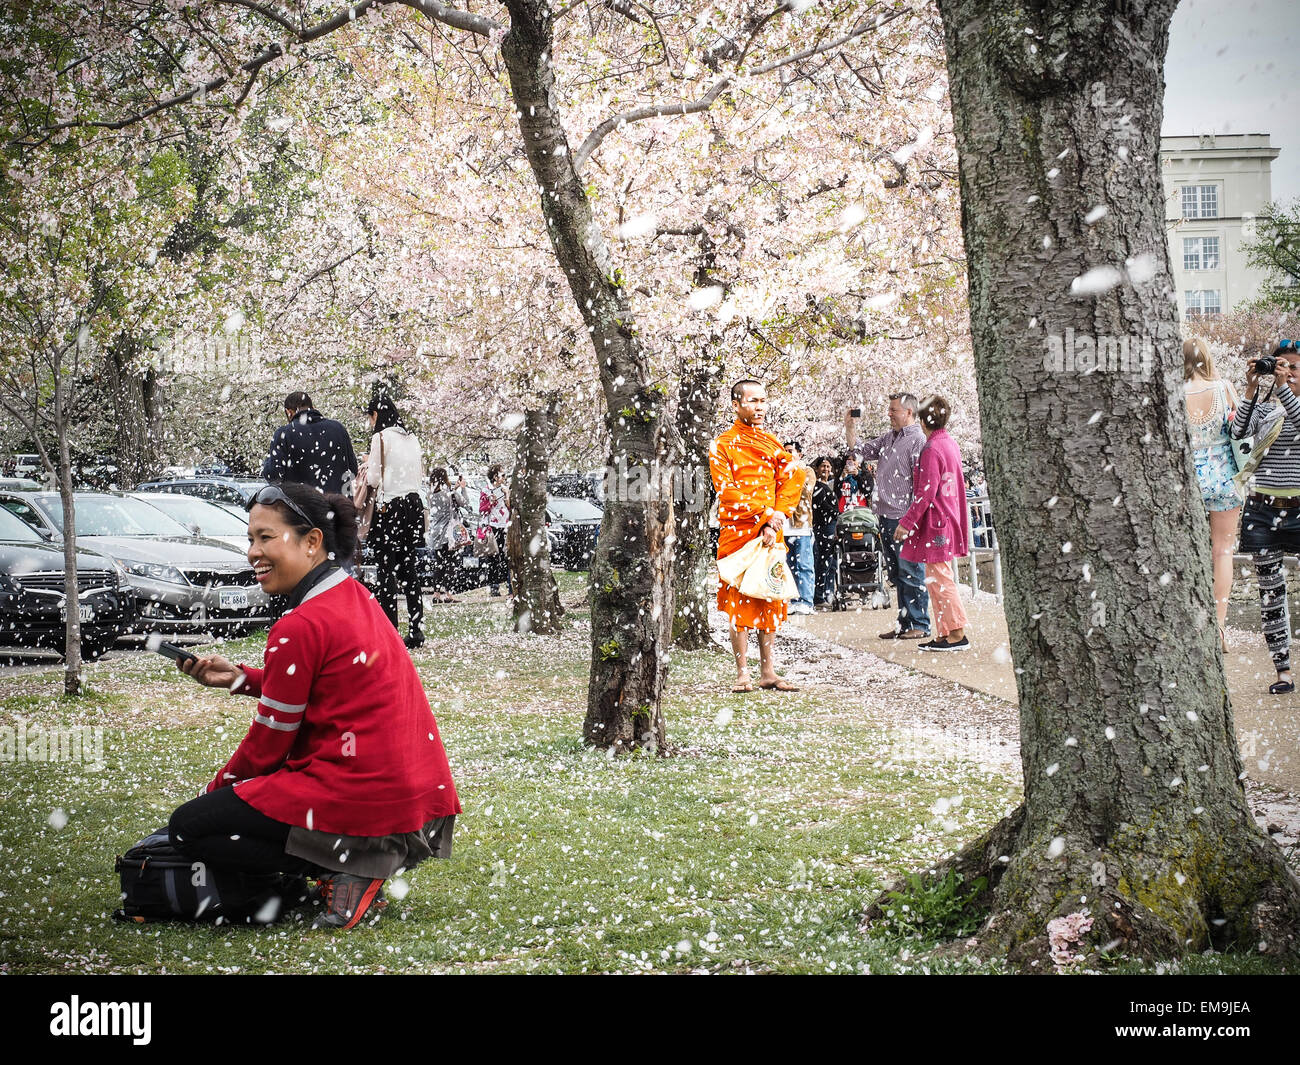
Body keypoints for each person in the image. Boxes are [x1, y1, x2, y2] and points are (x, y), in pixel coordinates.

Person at [167, 483, 460, 930]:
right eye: (250, 538)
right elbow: (328, 684)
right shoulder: (354, 597)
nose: (253, 552)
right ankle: (351, 860)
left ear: (311, 542)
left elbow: (268, 747)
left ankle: (347, 866)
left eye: (266, 537)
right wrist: (243, 678)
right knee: (218, 815)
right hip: (408, 800)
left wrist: (217, 791)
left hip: (360, 796)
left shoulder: (299, 624)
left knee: (190, 826)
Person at [709, 380, 806, 692]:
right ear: (736, 405)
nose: (760, 407)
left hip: (770, 530)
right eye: (752, 401)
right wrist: (765, 516)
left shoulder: (771, 442)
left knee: (769, 597)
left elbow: (794, 476)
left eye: (763, 401)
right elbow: (727, 491)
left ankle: (768, 670)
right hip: (738, 532)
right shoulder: (722, 444)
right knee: (739, 603)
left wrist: (777, 515)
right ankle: (742, 672)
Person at [1232, 344, 1300, 694]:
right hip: (1262, 510)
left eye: (1295, 369)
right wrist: (1251, 387)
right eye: (1285, 367)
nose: (1289, 373)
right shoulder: (1269, 409)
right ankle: (1283, 672)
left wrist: (1284, 385)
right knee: (1272, 596)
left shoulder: (1292, 405)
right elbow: (1239, 431)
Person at [846, 394, 930, 639]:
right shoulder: (889, 438)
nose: (889, 414)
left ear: (909, 412)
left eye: (894, 410)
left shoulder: (917, 441)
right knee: (896, 573)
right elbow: (858, 451)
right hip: (884, 515)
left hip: (904, 517)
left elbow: (920, 484)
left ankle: (920, 623)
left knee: (911, 571)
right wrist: (849, 426)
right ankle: (905, 622)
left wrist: (911, 520)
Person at [894, 395, 971, 651]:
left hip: (937, 520)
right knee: (935, 578)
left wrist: (906, 523)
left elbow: (925, 492)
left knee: (940, 578)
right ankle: (945, 632)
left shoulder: (931, 449)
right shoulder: (949, 444)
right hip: (949, 516)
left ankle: (957, 632)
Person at [1184, 336, 1242, 651]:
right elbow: (1242, 427)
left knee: (1188, 550)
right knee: (1222, 551)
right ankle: (1218, 626)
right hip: (1223, 478)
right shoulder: (1225, 388)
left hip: (1190, 480)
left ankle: (1194, 622)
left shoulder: (1174, 395)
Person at [365, 393, 428, 648]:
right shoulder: (412, 439)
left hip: (390, 508)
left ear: (376, 415)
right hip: (413, 506)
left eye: (370, 418)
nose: (369, 423)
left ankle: (390, 628)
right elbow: (419, 475)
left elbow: (372, 480)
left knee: (386, 570)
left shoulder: (379, 439)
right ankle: (416, 629)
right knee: (409, 570)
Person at [262, 391, 359, 495]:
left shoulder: (284, 434)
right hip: (339, 505)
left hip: (303, 506)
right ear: (313, 407)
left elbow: (273, 476)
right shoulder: (338, 428)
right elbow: (353, 470)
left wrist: (267, 462)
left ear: (289, 412)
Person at [782, 440, 816, 615]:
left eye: (791, 451)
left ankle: (806, 600)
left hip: (801, 525)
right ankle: (792, 598)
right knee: (788, 565)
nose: (788, 454)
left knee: (804, 563)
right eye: (785, 450)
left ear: (799, 454)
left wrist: (792, 473)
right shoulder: (780, 472)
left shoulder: (807, 471)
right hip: (784, 525)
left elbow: (804, 489)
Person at [427, 466, 470, 603]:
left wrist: (454, 489)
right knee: (451, 563)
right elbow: (465, 503)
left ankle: (436, 594)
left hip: (436, 533)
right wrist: (462, 488)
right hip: (449, 535)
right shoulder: (450, 494)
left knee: (439, 564)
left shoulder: (430, 494)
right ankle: (448, 594)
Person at [811, 456, 839, 608]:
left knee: (831, 563)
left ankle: (828, 593)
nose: (826, 469)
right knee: (822, 561)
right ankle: (818, 596)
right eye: (823, 466)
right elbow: (825, 508)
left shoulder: (829, 485)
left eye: (828, 466)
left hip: (831, 526)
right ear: (817, 468)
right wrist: (835, 513)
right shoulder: (816, 487)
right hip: (822, 527)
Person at [481, 463, 511, 598]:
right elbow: (482, 509)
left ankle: (508, 584)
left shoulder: (505, 489)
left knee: (506, 557)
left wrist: (507, 496)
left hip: (505, 525)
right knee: (493, 557)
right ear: (495, 476)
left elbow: (510, 507)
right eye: (502, 475)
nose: (504, 478)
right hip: (493, 526)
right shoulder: (486, 490)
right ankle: (494, 586)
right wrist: (490, 502)